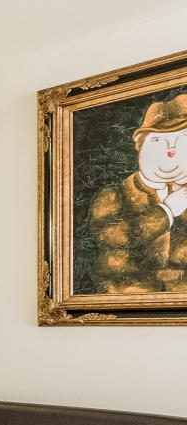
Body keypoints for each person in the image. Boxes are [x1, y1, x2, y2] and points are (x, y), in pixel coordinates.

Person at [89, 94, 187, 293]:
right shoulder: (113, 195)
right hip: (125, 297)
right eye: (158, 140)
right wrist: (167, 211)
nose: (171, 152)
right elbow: (114, 235)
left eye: (182, 140)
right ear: (140, 146)